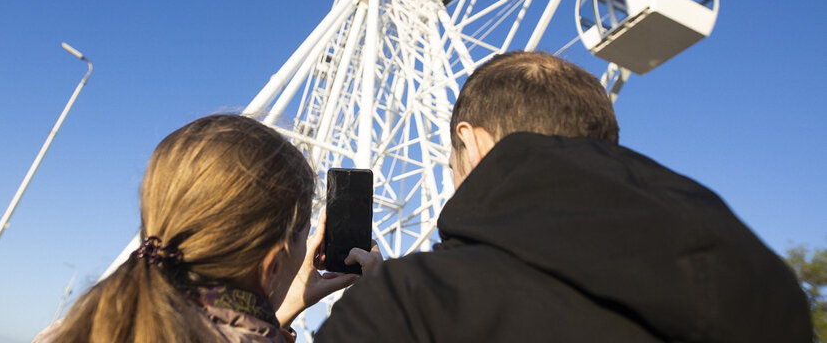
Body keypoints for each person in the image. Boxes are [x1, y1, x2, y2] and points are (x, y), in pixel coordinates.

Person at [317, 51, 813, 342]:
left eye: (453, 163)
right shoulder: (770, 291)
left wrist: (295, 306)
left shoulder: (410, 307)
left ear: (472, 141)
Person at [35, 114, 378, 343]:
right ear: (272, 264)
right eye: (305, 236)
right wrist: (379, 300)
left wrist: (282, 306)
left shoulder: (68, 330)